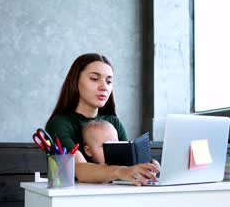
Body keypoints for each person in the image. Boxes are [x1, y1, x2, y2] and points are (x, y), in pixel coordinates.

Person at [45, 53, 159, 186]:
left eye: (109, 81)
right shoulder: (60, 124)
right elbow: (79, 169)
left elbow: (128, 165)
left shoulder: (113, 122)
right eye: (94, 79)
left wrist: (147, 168)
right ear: (75, 81)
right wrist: (121, 171)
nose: (104, 87)